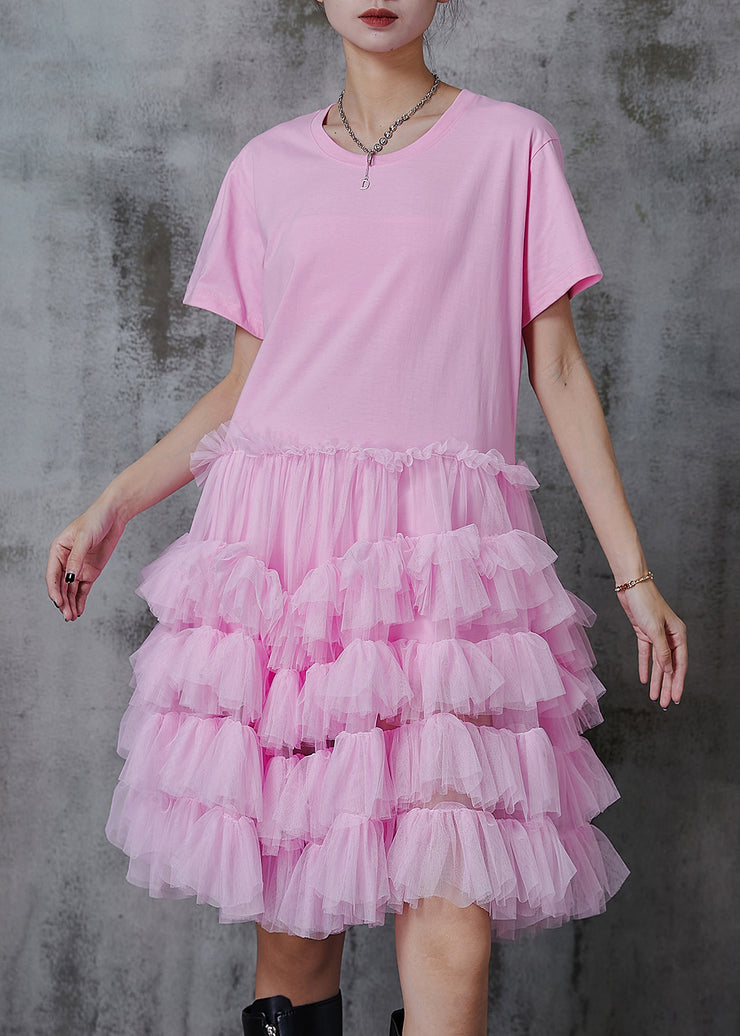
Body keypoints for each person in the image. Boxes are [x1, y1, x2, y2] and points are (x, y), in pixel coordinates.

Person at [46, 2, 688, 1034]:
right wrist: (112, 503)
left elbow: (559, 368)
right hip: (289, 565)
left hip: (443, 571)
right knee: (297, 929)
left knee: (451, 920)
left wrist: (634, 576)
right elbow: (245, 389)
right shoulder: (265, 167)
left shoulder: (510, 145)